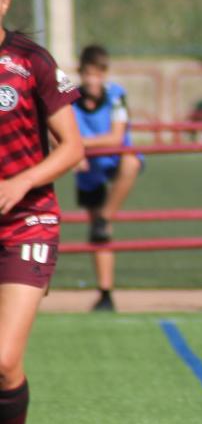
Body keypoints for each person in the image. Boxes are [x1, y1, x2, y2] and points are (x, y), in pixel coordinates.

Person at [0, 0, 85, 424]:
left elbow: (73, 147)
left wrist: (22, 180)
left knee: (4, 361)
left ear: (4, 1)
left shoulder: (30, 62)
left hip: (27, 221)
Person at [72, 44, 141, 312]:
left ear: (105, 74)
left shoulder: (116, 95)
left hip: (113, 160)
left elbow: (115, 136)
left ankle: (106, 215)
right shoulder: (69, 99)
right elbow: (59, 135)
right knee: (99, 234)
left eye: (98, 74)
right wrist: (72, 151)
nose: (93, 80)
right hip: (89, 168)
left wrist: (79, 145)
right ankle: (105, 293)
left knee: (131, 162)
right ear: (81, 73)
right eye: (88, 74)